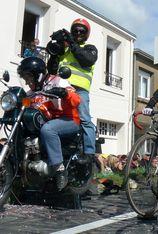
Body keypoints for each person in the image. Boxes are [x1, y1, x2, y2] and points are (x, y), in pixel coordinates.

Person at [17, 56, 81, 190]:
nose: (27, 82)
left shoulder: (57, 81)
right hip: (51, 122)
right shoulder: (31, 93)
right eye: (25, 78)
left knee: (48, 129)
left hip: (69, 119)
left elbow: (77, 100)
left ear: (38, 75)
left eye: (29, 77)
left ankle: (59, 169)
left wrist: (64, 93)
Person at [48, 18, 98, 163]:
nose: (78, 32)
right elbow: (51, 69)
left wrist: (71, 42)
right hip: (59, 89)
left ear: (87, 33)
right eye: (75, 30)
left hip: (79, 91)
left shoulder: (90, 48)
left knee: (84, 118)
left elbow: (86, 60)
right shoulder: (65, 50)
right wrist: (55, 52)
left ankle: (89, 153)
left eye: (81, 31)